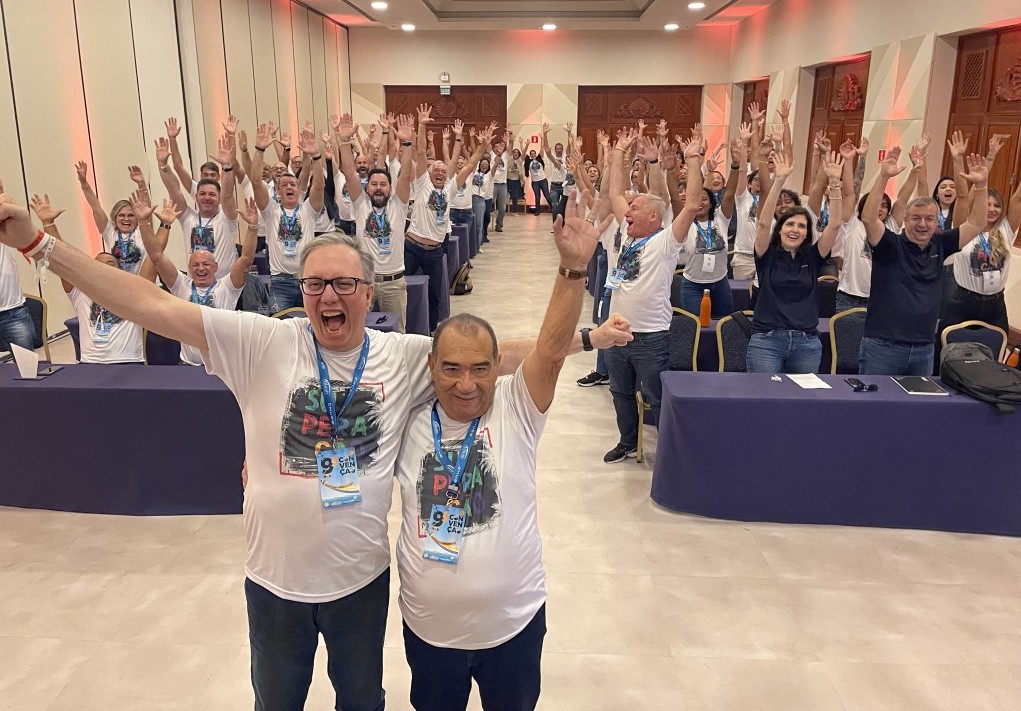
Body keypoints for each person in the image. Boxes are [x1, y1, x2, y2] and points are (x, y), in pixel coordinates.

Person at [0, 177, 629, 708]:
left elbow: (494, 356)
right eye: (315, 285)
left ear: (366, 292)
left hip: (361, 587)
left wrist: (587, 340)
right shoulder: (261, 343)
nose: (329, 296)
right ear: (300, 293)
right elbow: (150, 306)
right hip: (273, 585)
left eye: (344, 284)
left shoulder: (406, 356)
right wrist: (39, 243)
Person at [394, 191, 627, 711]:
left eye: (481, 368)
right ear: (431, 367)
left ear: (499, 365)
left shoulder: (518, 409)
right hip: (431, 633)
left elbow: (547, 349)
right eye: (451, 369)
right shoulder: (406, 419)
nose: (466, 383)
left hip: (514, 626)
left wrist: (572, 270)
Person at [602, 126, 703, 463]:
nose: (626, 212)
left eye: (635, 208)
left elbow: (690, 204)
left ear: (654, 217)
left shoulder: (665, 242)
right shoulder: (625, 234)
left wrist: (693, 159)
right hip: (616, 331)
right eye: (628, 209)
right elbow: (615, 193)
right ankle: (628, 441)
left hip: (649, 335)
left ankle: (666, 450)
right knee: (620, 391)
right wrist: (618, 153)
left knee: (656, 396)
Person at [859, 147, 989, 375]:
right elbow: (869, 219)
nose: (922, 224)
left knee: (919, 411)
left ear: (936, 222)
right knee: (876, 410)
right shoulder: (889, 245)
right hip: (883, 346)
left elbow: (977, 223)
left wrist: (981, 186)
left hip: (924, 347)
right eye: (916, 218)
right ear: (905, 220)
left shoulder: (941, 243)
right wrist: (883, 177)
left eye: (929, 219)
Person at [28, 193, 164, 365]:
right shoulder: (81, 293)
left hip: (129, 363)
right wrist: (48, 223)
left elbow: (154, 256)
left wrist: (151, 223)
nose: (105, 268)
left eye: (110, 263)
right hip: (89, 365)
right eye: (99, 265)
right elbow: (59, 258)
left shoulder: (134, 293)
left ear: (120, 270)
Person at [745, 152, 842, 374]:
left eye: (801, 226)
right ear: (780, 229)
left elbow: (835, 224)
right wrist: (778, 180)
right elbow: (762, 223)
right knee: (764, 401)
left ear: (807, 232)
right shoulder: (766, 254)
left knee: (803, 404)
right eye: (790, 224)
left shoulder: (812, 256)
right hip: (767, 341)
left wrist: (834, 183)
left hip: (806, 343)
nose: (795, 230)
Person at [135, 193, 259, 365]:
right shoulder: (181, 285)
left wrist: (252, 227)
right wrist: (144, 223)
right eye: (195, 265)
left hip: (223, 367)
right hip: (188, 366)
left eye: (206, 264)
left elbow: (245, 260)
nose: (201, 268)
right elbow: (156, 256)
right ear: (188, 269)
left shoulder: (227, 286)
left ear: (215, 267)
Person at [405, 112, 486, 333]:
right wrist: (421, 125)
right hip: (411, 247)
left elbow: (469, 166)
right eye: (436, 170)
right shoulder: (423, 184)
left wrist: (482, 146)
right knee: (405, 289)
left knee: (434, 294)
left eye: (443, 170)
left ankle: (430, 332)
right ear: (429, 174)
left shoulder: (449, 189)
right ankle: (405, 328)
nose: (440, 172)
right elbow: (421, 152)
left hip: (434, 251)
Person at [334, 112, 414, 332]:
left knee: (396, 337)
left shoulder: (399, 205)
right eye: (374, 184)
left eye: (383, 184)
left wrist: (407, 143)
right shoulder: (361, 205)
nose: (378, 188)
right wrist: (343, 141)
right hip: (365, 283)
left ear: (391, 187)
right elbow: (349, 173)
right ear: (367, 187)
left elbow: (406, 174)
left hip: (393, 284)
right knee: (361, 333)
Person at [250, 121, 326, 312]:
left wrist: (316, 156)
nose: (289, 187)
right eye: (284, 185)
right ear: (277, 191)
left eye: (293, 184)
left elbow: (318, 186)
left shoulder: (308, 210)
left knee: (313, 327)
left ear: (300, 190)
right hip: (280, 282)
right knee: (279, 328)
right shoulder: (271, 211)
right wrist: (259, 149)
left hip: (307, 279)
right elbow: (256, 181)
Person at [157, 132, 240, 279]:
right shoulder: (188, 218)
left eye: (212, 195)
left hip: (223, 288)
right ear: (196, 196)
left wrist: (227, 167)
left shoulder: (227, 218)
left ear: (219, 197)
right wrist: (163, 166)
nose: (207, 198)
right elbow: (174, 190)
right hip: (194, 286)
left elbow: (228, 194)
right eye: (202, 194)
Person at [74, 161, 151, 275]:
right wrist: (84, 183)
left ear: (137, 218)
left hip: (147, 283)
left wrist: (141, 184)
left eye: (131, 215)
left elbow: (146, 207)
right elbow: (95, 207)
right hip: (121, 285)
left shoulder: (143, 231)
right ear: (114, 218)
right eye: (121, 215)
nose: (126, 219)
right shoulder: (110, 232)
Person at [524, 146, 551, 216]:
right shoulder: (528, 161)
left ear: (536, 154)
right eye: (531, 154)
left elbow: (541, 151)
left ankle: (552, 207)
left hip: (543, 180)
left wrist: (542, 139)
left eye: (534, 153)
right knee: (537, 196)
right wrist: (522, 144)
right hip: (535, 182)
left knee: (547, 195)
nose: (533, 155)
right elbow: (523, 153)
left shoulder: (539, 159)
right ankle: (538, 211)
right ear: (530, 155)